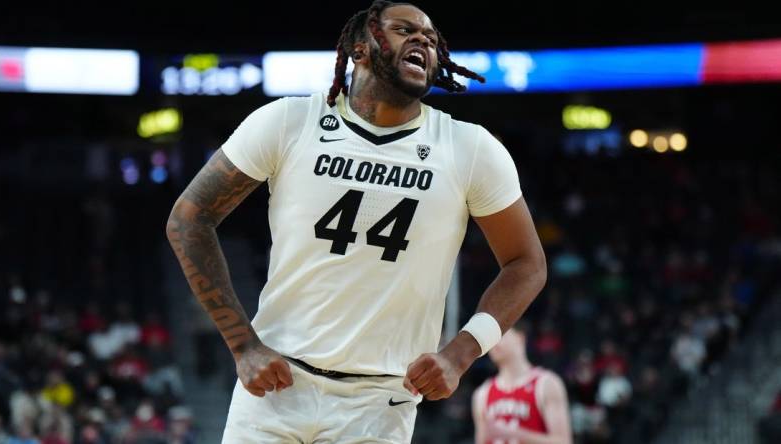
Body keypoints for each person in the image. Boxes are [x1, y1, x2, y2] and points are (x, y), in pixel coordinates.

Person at [166, 1, 546, 442]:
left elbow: (527, 263)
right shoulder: (290, 121)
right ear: (360, 48)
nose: (423, 40)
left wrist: (460, 354)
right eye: (406, 30)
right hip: (275, 389)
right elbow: (188, 220)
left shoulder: (470, 149)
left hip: (380, 404)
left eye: (431, 38)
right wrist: (243, 344)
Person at [472, 323, 572, 444]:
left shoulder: (546, 383)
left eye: (499, 336)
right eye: (490, 339)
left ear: (520, 338)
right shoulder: (482, 393)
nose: (494, 344)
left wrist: (514, 434)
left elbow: (563, 441)